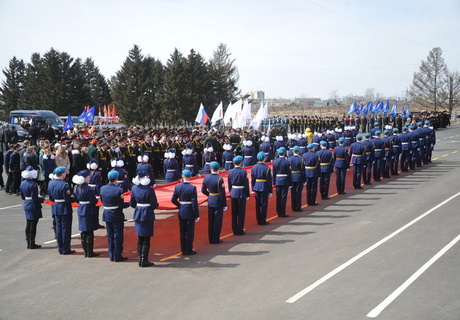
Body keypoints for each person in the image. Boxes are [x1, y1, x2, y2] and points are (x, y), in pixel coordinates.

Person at [131, 170, 159, 267]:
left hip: (138, 212)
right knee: (146, 238)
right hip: (147, 213)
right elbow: (154, 204)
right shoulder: (149, 190)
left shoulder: (134, 188)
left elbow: (132, 203)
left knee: (140, 237)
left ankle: (140, 259)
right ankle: (144, 260)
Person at [100, 170, 130, 262]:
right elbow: (121, 204)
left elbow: (102, 200)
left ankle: (111, 254)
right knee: (117, 235)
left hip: (107, 213)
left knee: (110, 235)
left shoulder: (102, 188)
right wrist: (129, 203)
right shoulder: (118, 190)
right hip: (116, 214)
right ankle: (117, 255)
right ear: (116, 179)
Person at [171, 170, 200, 255]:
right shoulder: (192, 188)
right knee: (190, 232)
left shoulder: (177, 187)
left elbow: (173, 199)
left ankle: (183, 249)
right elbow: (194, 203)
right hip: (190, 211)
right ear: (190, 177)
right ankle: (189, 249)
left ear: (182, 176)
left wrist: (179, 205)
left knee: (182, 231)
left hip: (182, 210)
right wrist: (196, 214)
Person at [72, 170, 100, 258]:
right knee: (89, 232)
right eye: (88, 177)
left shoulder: (76, 188)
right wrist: (96, 199)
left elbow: (76, 199)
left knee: (84, 231)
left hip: (81, 209)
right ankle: (89, 252)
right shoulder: (89, 189)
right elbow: (93, 201)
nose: (89, 178)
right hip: (88, 209)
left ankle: (85, 251)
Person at [48, 166, 74, 255]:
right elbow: (67, 199)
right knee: (66, 229)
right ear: (62, 174)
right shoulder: (64, 185)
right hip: (64, 208)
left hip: (56, 207)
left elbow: (50, 197)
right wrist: (77, 198)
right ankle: (66, 248)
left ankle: (60, 248)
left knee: (58, 229)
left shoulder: (51, 183)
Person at [201, 161, 227, 244]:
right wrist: (224, 204)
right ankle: (215, 239)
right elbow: (222, 193)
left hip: (211, 199)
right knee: (217, 221)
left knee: (211, 220)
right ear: (217, 169)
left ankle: (211, 238)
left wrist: (209, 195)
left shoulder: (206, 178)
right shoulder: (220, 179)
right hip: (218, 200)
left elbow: (203, 190)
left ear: (210, 168)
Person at [20, 166, 44, 249]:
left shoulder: (22, 183)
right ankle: (32, 243)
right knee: (33, 225)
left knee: (28, 224)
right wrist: (43, 199)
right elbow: (35, 198)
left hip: (27, 203)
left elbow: (23, 197)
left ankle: (28, 242)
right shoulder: (33, 184)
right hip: (33, 205)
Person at [227, 155, 250, 235]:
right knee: (241, 212)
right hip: (241, 192)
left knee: (234, 212)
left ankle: (234, 229)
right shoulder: (243, 172)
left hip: (233, 192)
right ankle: (240, 230)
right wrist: (247, 194)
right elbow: (246, 184)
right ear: (241, 162)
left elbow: (229, 184)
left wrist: (231, 192)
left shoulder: (230, 172)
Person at [251, 151, 273, 225]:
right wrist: (270, 190)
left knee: (258, 204)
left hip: (257, 186)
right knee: (264, 204)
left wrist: (253, 188)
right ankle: (263, 220)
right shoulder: (267, 168)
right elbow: (269, 180)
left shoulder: (254, 167)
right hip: (264, 186)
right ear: (264, 158)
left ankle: (258, 219)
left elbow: (253, 178)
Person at [273, 147, 291, 217]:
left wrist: (274, 182)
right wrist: (290, 182)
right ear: (284, 153)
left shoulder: (275, 162)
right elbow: (289, 173)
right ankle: (282, 212)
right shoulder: (287, 162)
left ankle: (278, 212)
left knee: (278, 197)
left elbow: (274, 173)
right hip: (285, 180)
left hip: (278, 180)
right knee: (283, 197)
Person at [288, 145, 306, 211]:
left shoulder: (289, 159)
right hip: (299, 177)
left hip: (292, 176)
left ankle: (293, 207)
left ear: (293, 151)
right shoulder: (301, 160)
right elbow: (303, 171)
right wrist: (304, 179)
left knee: (293, 193)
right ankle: (298, 207)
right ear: (299, 151)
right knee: (298, 193)